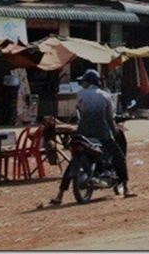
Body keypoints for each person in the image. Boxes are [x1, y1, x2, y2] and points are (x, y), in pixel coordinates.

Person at [50, 69, 132, 204]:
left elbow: (80, 111)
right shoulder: (105, 96)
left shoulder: (80, 94)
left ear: (89, 82)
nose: (82, 84)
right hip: (102, 134)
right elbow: (109, 119)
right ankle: (127, 188)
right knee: (119, 157)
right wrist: (115, 131)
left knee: (71, 164)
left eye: (84, 81)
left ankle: (59, 195)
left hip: (83, 133)